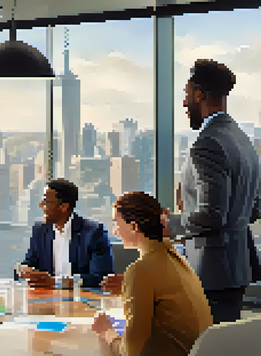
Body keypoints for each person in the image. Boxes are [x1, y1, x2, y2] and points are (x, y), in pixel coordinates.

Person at [163, 59, 260, 324]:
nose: (184, 104)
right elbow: (253, 207)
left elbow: (211, 215)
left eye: (186, 95)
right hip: (236, 268)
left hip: (212, 272)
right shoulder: (242, 139)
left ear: (199, 94)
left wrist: (170, 223)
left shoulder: (208, 143)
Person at [92, 191, 213, 356]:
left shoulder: (140, 270)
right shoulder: (176, 258)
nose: (115, 231)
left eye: (116, 224)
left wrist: (107, 331)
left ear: (134, 226)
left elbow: (130, 352)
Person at [18, 178, 114, 288]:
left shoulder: (93, 232)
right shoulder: (40, 229)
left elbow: (100, 277)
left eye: (46, 202)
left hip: (81, 298)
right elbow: (30, 262)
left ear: (63, 207)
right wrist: (25, 269)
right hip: (46, 297)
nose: (41, 205)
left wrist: (57, 283)